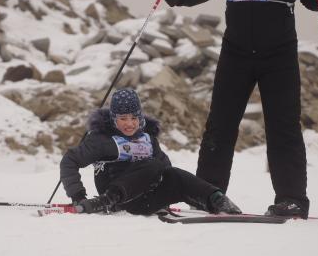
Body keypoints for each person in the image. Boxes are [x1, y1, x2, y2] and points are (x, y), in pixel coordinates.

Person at [154, 0, 318, 219]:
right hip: (235, 53)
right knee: (219, 124)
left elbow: (314, 1)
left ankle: (292, 200)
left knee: (283, 127)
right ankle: (206, 193)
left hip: (279, 55)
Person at [60, 88, 241, 215]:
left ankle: (216, 199)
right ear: (113, 119)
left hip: (143, 201)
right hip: (115, 200)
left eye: (134, 118)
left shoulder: (148, 139)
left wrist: (168, 191)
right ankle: (106, 200)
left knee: (173, 173)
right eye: (123, 118)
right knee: (153, 165)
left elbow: (165, 169)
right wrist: (78, 196)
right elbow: (69, 161)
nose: (129, 123)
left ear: (140, 117)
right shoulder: (102, 140)